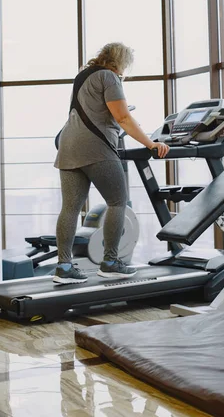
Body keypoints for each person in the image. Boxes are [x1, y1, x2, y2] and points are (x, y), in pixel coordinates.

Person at [53, 42, 170, 285]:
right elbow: (123, 117)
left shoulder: (83, 76)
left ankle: (64, 266)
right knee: (117, 201)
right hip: (95, 146)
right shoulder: (109, 77)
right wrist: (151, 144)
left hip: (68, 144)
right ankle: (110, 263)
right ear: (121, 61)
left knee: (71, 207)